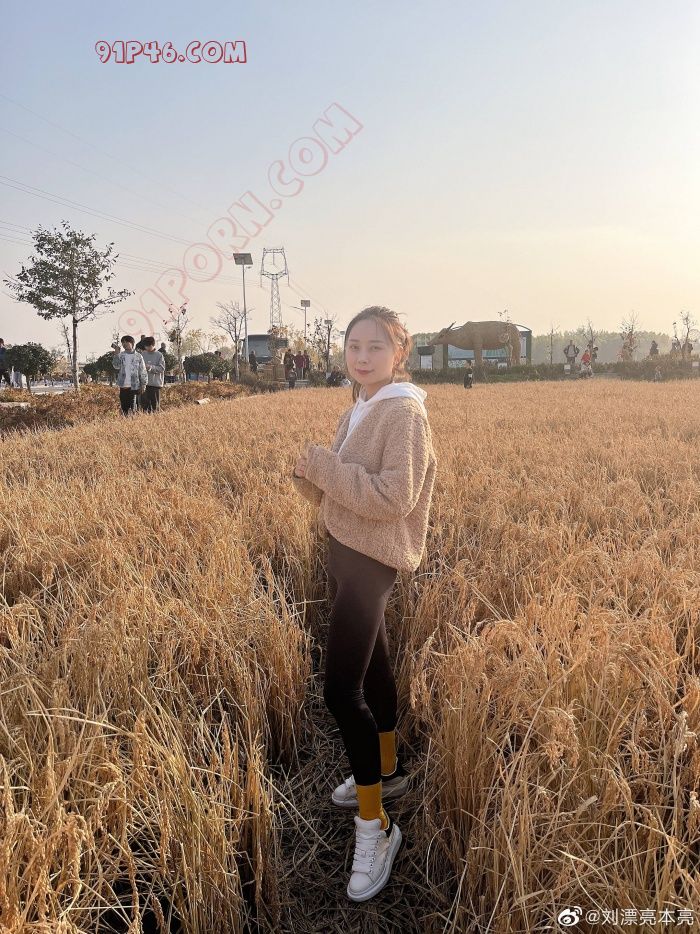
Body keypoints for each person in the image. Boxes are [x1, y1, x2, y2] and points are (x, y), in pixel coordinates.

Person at [292, 306, 437, 903]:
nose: (362, 356)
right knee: (375, 669)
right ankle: (389, 769)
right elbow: (344, 489)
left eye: (376, 346)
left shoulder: (402, 412)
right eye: (354, 345)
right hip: (348, 551)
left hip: (373, 559)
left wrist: (326, 469)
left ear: (399, 352)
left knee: (339, 691)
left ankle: (376, 828)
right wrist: (310, 476)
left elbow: (394, 497)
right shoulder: (359, 406)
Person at [112, 335, 147, 416]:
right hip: (123, 385)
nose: (124, 344)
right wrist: (116, 355)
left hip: (134, 385)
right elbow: (116, 366)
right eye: (123, 342)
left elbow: (143, 371)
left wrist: (143, 384)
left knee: (133, 407)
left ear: (132, 343)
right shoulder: (121, 355)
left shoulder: (138, 356)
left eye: (126, 342)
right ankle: (125, 421)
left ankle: (132, 421)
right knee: (124, 407)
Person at [140, 336, 165, 412]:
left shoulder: (159, 355)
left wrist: (150, 367)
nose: (146, 348)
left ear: (153, 345)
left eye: (148, 346)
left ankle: (155, 418)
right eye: (145, 346)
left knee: (154, 407)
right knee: (145, 407)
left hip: (155, 385)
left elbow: (161, 368)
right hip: (144, 384)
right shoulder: (142, 354)